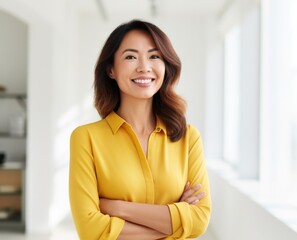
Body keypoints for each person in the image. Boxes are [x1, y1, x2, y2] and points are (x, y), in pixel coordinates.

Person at [69, 19, 211, 240]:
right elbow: (90, 230)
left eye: (154, 56)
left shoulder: (188, 137)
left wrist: (116, 208)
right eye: (131, 57)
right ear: (111, 70)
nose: (144, 66)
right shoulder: (86, 138)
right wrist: (176, 221)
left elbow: (200, 219)